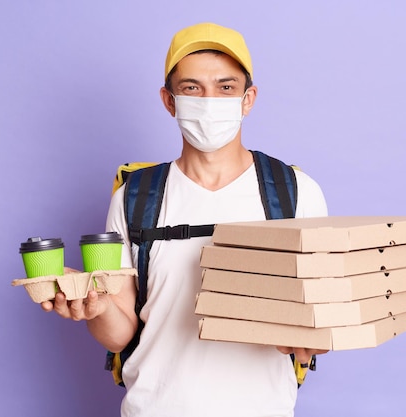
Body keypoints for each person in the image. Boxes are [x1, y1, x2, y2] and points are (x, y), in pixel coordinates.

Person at [42, 22, 328, 416]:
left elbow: (319, 321)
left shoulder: (295, 192)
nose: (209, 100)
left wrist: (310, 333)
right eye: (192, 88)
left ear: (248, 99)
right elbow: (119, 333)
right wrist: (96, 308)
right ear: (169, 100)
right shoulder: (134, 197)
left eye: (225, 87)